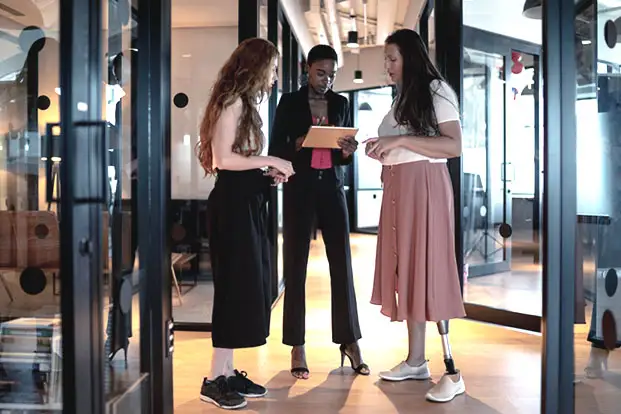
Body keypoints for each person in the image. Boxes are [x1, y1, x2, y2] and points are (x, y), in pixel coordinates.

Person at [364, 29, 467, 403]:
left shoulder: (437, 91)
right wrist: (379, 148)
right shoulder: (403, 98)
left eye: (392, 58)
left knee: (428, 267)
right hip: (399, 188)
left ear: (409, 56)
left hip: (424, 187)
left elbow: (452, 145)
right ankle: (416, 360)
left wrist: (400, 141)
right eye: (386, 60)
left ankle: (450, 368)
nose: (388, 66)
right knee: (408, 268)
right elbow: (399, 144)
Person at [196, 37, 294, 410]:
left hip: (247, 202)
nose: (273, 77)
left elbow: (242, 160)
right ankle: (213, 379)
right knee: (235, 288)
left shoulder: (246, 104)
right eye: (271, 69)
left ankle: (226, 370)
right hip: (233, 205)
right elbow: (223, 159)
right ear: (255, 68)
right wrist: (269, 159)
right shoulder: (232, 102)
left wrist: (268, 172)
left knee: (247, 286)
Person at [268, 44, 368, 379]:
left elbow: (345, 155)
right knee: (295, 267)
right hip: (299, 189)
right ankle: (297, 345)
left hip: (332, 189)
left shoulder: (342, 103)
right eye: (321, 72)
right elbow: (275, 148)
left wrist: (348, 150)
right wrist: (296, 143)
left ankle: (350, 342)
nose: (326, 80)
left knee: (341, 264)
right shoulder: (288, 103)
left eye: (332, 74)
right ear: (306, 68)